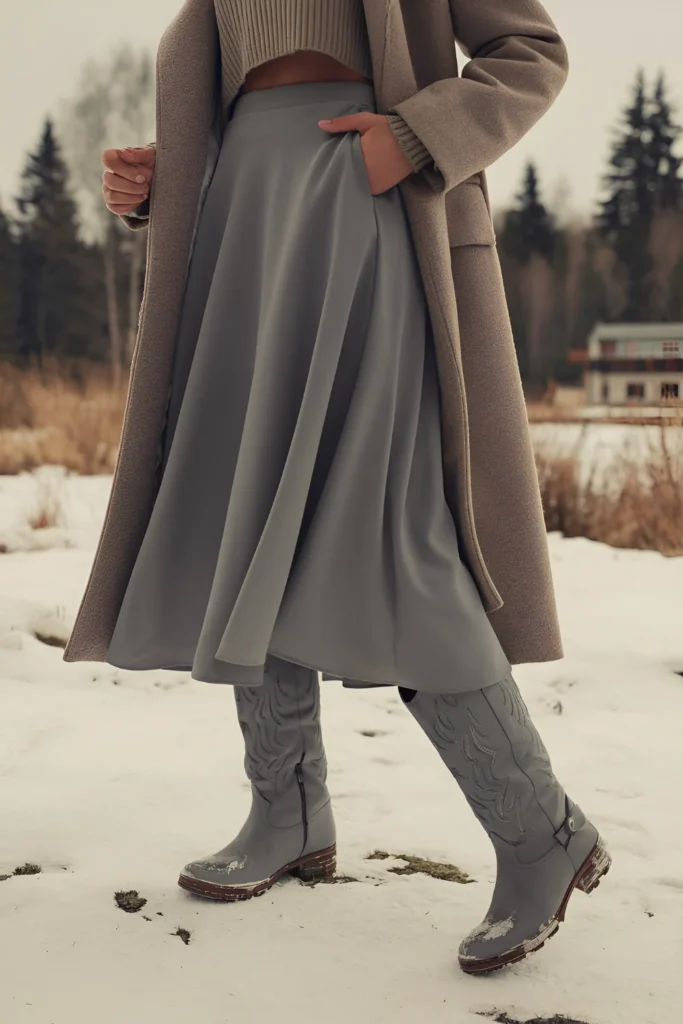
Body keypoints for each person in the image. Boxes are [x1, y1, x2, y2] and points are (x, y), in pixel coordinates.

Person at [65, 0, 610, 975]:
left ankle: (539, 829)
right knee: (248, 505)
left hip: (371, 208)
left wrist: (416, 136)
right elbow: (248, 71)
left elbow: (529, 51)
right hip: (246, 215)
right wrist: (173, 176)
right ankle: (287, 811)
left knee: (388, 533)